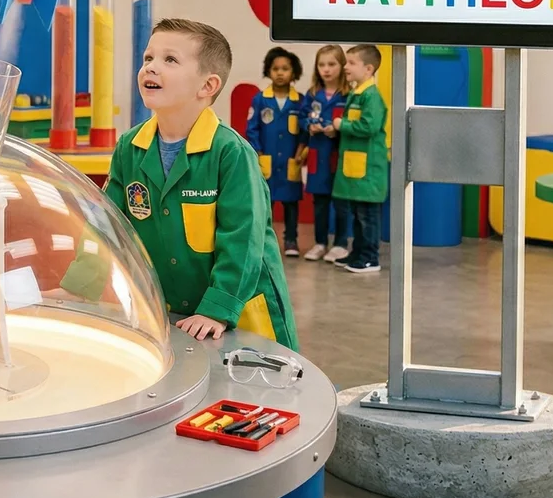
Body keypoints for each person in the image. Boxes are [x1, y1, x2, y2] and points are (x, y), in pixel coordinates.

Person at [60, 19, 298, 349]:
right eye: (148, 58)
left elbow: (244, 240)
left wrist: (217, 309)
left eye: (170, 60)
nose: (151, 68)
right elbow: (107, 226)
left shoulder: (231, 153)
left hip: (240, 313)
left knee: (258, 392)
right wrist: (79, 286)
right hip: (173, 316)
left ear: (207, 85)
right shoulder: (129, 148)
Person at [244, 47, 306, 257]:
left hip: (290, 161)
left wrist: (301, 152)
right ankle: (263, 240)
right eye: (275, 68)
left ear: (294, 72)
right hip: (267, 160)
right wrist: (258, 154)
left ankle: (291, 241)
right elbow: (252, 129)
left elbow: (304, 131)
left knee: (291, 204)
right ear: (268, 71)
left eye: (285, 69)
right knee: (265, 203)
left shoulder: (300, 101)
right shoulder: (260, 99)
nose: (280, 73)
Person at [332, 44, 388, 274]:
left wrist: (341, 124)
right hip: (355, 170)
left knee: (368, 217)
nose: (346, 66)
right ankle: (357, 252)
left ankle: (370, 257)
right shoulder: (357, 93)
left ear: (368, 69)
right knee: (357, 215)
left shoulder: (371, 96)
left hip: (368, 172)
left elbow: (370, 126)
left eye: (351, 63)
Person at [301, 44, 349, 263]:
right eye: (322, 65)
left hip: (339, 157)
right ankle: (320, 242)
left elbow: (352, 122)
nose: (326, 69)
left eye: (331, 64)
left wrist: (335, 129)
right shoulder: (312, 95)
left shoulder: (349, 95)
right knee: (319, 203)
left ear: (342, 66)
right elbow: (302, 118)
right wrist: (309, 126)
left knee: (341, 203)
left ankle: (340, 244)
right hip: (317, 157)